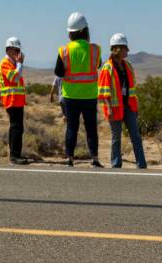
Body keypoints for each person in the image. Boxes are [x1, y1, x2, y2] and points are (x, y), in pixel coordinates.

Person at [55, 12, 103, 167]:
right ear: (85, 30)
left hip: (71, 96)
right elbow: (98, 65)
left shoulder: (64, 51)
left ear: (70, 33)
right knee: (91, 128)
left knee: (71, 128)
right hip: (89, 95)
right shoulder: (95, 49)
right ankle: (94, 158)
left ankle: (69, 158)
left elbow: (59, 72)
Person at [98, 34, 147, 169]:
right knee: (116, 138)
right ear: (118, 49)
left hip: (129, 107)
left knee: (135, 136)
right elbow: (104, 91)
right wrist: (109, 108)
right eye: (126, 48)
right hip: (114, 108)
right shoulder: (107, 67)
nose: (128, 51)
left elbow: (132, 88)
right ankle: (116, 165)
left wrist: (135, 107)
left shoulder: (128, 65)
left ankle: (141, 165)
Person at [0, 37, 28, 165]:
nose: (17, 52)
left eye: (18, 50)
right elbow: (15, 78)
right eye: (15, 49)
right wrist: (20, 63)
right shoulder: (5, 63)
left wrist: (19, 63)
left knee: (18, 127)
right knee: (16, 127)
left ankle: (16, 154)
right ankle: (14, 156)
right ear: (8, 49)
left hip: (17, 101)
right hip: (11, 100)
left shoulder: (13, 63)